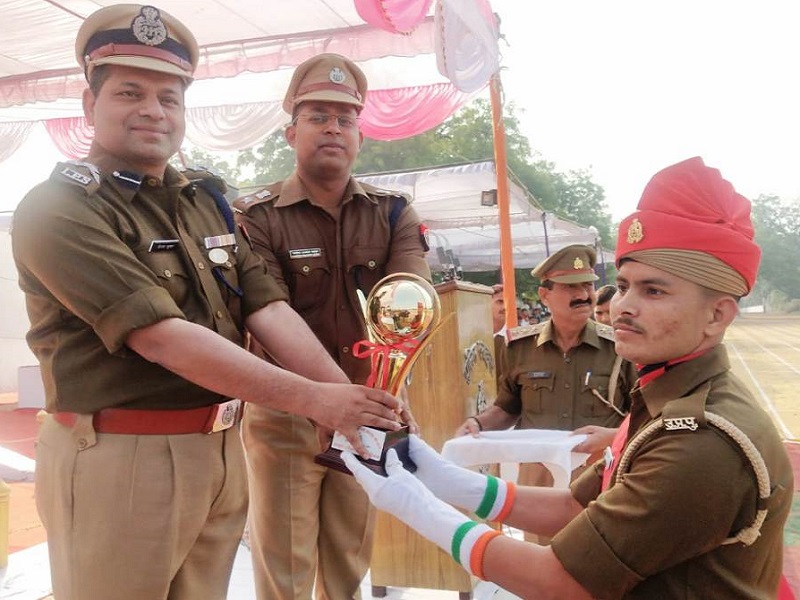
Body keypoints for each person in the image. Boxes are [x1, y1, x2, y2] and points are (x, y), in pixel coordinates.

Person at [11, 8, 408, 600]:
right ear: (89, 106)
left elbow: (268, 309)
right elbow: (161, 335)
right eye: (130, 93)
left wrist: (357, 407)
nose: (153, 110)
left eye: (170, 98)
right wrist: (324, 402)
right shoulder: (59, 208)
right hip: (123, 455)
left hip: (218, 449)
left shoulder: (204, 203)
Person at [344, 156, 794, 598]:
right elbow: (573, 507)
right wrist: (444, 477)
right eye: (622, 286)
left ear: (717, 315)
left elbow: (559, 582)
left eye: (653, 290)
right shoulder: (666, 398)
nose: (623, 307)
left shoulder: (700, 439)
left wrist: (415, 505)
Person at [232, 53, 431, 600]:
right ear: (291, 130)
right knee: (285, 566)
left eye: (345, 119)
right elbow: (269, 314)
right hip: (286, 414)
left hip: (369, 404)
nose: (333, 129)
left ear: (360, 136)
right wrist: (331, 400)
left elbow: (409, 305)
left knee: (348, 559)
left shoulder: (393, 214)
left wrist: (380, 394)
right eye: (318, 116)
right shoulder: (256, 217)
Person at [456, 245, 636, 503]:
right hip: (539, 479)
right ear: (544, 295)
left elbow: (644, 415)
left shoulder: (620, 348)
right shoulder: (520, 348)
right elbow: (508, 407)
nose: (583, 295)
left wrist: (610, 437)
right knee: (537, 545)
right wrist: (479, 424)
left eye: (587, 286)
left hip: (599, 476)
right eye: (570, 287)